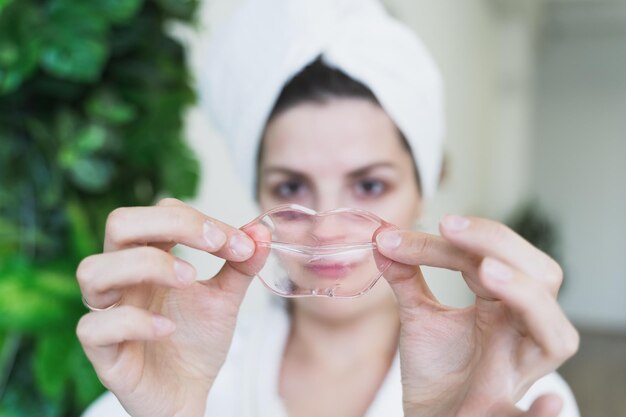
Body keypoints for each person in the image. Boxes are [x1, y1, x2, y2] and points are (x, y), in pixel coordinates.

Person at [78, 0, 580, 416]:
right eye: (292, 186)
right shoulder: (149, 386)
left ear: (425, 188)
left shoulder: (513, 391)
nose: (328, 228)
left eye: (369, 186)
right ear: (257, 193)